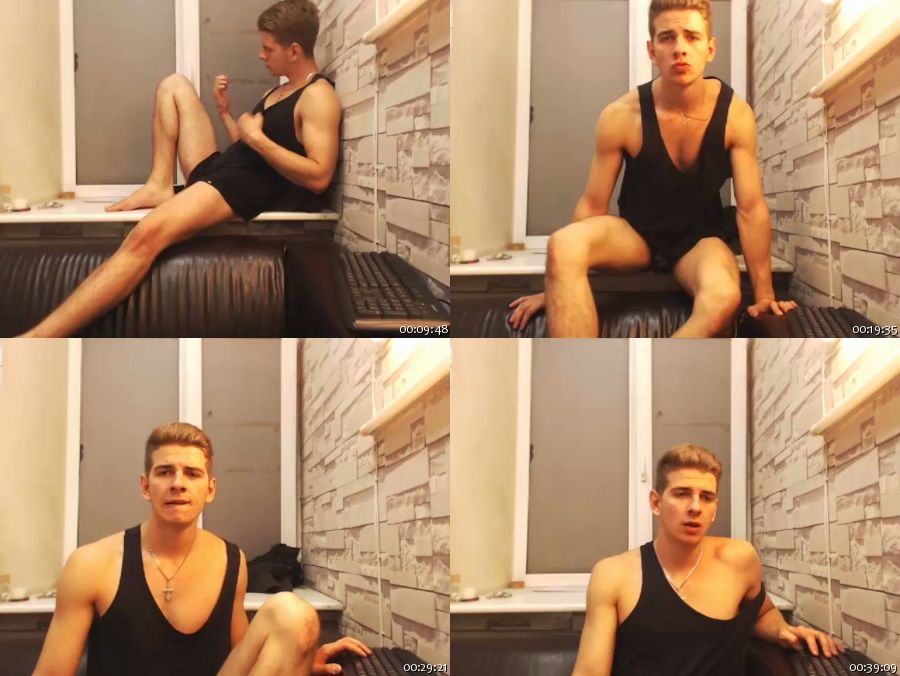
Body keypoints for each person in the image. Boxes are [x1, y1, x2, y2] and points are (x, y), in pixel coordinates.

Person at [20, 0, 341, 338]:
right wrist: (225, 113)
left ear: (294, 50)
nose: (261, 56)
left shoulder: (318, 97)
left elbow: (319, 176)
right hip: (227, 170)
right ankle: (159, 183)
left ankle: (37, 338)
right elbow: (249, 146)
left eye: (268, 48)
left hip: (242, 189)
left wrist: (256, 138)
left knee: (144, 236)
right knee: (174, 85)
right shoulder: (277, 90)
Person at [511, 0, 796, 337]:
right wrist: (558, 283)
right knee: (562, 244)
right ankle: (588, 366)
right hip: (636, 236)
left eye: (692, 36)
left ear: (710, 48)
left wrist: (764, 296)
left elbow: (751, 208)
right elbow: (592, 204)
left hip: (699, 241)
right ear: (651, 50)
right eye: (667, 38)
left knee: (724, 296)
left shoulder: (735, 115)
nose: (680, 49)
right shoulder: (620, 116)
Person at [33, 422, 369, 676]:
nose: (178, 483)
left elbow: (242, 657)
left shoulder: (231, 559)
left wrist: (298, 659)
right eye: (165, 472)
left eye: (192, 473)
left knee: (294, 614)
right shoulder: (91, 564)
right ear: (146, 487)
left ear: (210, 489)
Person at [571, 444, 843, 676]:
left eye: (706, 497)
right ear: (656, 503)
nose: (695, 507)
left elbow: (761, 612)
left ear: (714, 510)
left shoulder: (739, 559)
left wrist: (783, 631)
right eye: (682, 494)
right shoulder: (613, 575)